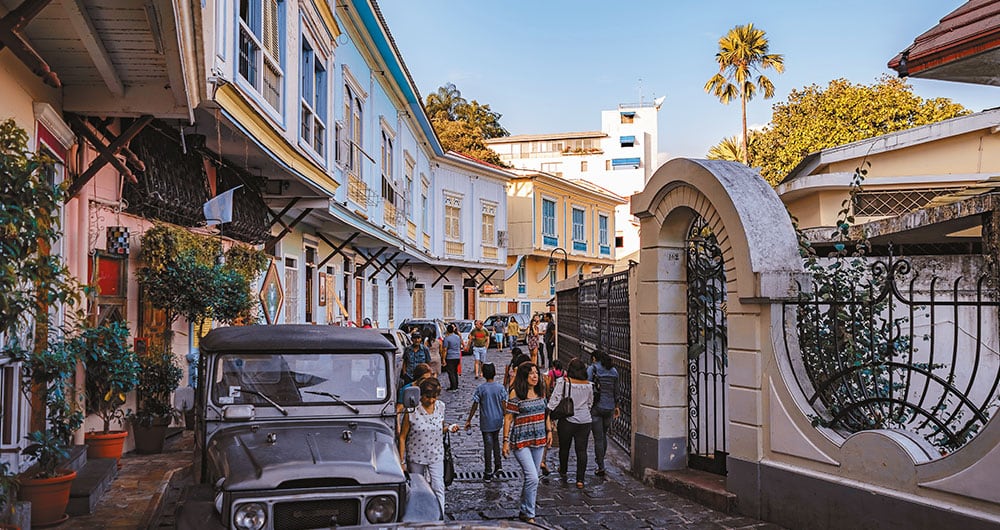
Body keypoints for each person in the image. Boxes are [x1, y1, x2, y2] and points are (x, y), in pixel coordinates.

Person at [398, 378, 460, 518]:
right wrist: (401, 461)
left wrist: (449, 428)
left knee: (438, 487)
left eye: (434, 397)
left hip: (436, 454)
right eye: (428, 397)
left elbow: (439, 428)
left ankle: (439, 518)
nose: (431, 400)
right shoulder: (412, 411)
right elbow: (402, 437)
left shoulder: (441, 407)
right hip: (416, 456)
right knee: (418, 490)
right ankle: (420, 517)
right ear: (421, 395)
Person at [501, 362, 552, 524]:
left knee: (532, 477)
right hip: (521, 440)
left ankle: (524, 509)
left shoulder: (541, 391)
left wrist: (549, 431)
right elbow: (508, 418)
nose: (535, 376)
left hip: (539, 439)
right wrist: (505, 441)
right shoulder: (516, 393)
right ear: (524, 376)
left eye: (536, 373)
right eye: (531, 373)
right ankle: (530, 514)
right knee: (532, 477)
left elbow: (546, 413)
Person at [547, 358, 593, 489]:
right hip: (585, 420)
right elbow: (590, 403)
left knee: (564, 447)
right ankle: (580, 480)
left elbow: (555, 399)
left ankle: (563, 469)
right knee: (582, 450)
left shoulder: (564, 382)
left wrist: (549, 413)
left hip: (568, 419)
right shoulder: (589, 385)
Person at [464, 363, 506, 481]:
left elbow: (475, 404)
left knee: (488, 445)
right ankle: (498, 465)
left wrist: (469, 419)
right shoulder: (500, 388)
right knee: (496, 441)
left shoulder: (481, 388)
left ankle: (488, 471)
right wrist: (505, 414)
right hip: (498, 419)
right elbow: (504, 403)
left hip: (486, 421)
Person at [588, 351, 620, 476]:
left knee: (598, 438)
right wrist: (617, 406)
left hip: (597, 407)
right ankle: (600, 459)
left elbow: (587, 385)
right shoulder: (614, 371)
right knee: (604, 435)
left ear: (594, 358)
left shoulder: (593, 368)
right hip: (610, 407)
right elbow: (616, 391)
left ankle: (600, 465)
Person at [539, 359, 566, 476]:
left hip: (552, 399)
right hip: (561, 402)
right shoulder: (564, 373)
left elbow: (548, 384)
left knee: (549, 420)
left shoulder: (551, 373)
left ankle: (542, 459)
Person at [441, 323, 462, 391]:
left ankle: (453, 386)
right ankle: (456, 385)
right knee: (455, 371)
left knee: (451, 372)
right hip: (457, 356)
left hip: (450, 357)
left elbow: (445, 349)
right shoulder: (457, 337)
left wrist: (443, 359)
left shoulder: (447, 339)